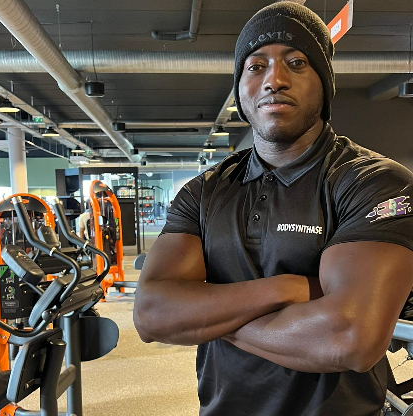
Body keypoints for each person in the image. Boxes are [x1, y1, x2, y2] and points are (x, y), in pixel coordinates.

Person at [133, 2, 413, 415]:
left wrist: (205, 317)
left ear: (324, 83)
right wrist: (289, 288)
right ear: (240, 85)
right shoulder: (203, 192)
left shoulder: (374, 183)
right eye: (256, 66)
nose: (274, 80)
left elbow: (349, 338)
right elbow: (151, 315)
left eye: (297, 63)